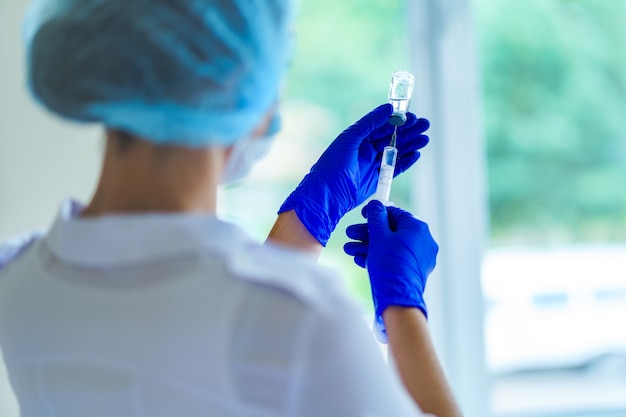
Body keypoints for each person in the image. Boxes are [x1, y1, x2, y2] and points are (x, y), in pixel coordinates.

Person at [0, 0, 462, 416]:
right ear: (239, 87)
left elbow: (223, 331)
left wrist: (308, 220)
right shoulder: (311, 321)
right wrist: (403, 305)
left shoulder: (16, 280)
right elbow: (251, 330)